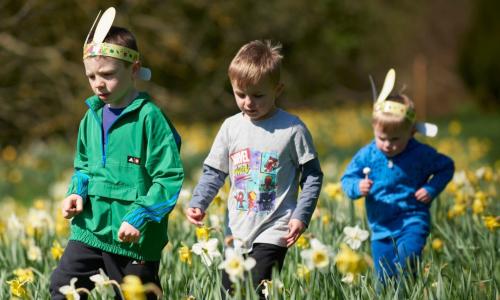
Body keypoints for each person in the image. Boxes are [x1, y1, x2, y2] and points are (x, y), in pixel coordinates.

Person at [50, 7, 184, 299]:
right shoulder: (91, 117)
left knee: (137, 295)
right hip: (91, 229)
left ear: (133, 70)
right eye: (91, 76)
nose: (98, 83)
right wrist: (77, 193)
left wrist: (139, 216)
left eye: (107, 75)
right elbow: (83, 166)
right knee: (62, 287)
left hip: (133, 238)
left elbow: (169, 178)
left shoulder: (150, 118)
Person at [186, 40, 323, 298]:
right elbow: (215, 172)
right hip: (235, 231)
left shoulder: (292, 129)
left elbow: (313, 175)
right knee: (229, 292)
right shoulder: (230, 127)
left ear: (277, 89)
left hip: (275, 228)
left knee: (257, 291)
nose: (248, 102)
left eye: (258, 95)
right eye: (240, 94)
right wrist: (199, 201)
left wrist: (300, 216)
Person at [341, 69, 454, 283]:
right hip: (380, 228)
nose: (387, 144)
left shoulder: (420, 153)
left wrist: (432, 188)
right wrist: (357, 187)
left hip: (412, 220)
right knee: (383, 280)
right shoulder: (368, 154)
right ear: (374, 129)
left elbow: (446, 166)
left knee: (406, 263)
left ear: (411, 132)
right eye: (381, 137)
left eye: (395, 139)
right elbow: (347, 179)